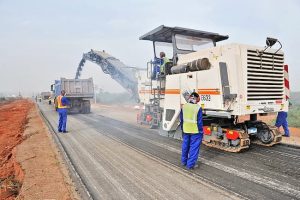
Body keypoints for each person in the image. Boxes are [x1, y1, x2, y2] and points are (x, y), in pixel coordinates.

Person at [180, 92, 203, 170]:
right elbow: (199, 122)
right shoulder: (198, 108)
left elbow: (181, 119)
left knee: (185, 146)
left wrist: (182, 129)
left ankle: (183, 162)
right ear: (196, 98)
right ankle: (190, 165)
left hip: (186, 129)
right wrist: (201, 131)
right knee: (194, 148)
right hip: (195, 131)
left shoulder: (184, 106)